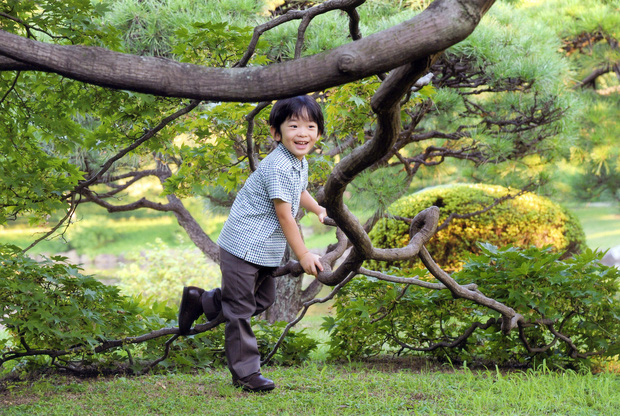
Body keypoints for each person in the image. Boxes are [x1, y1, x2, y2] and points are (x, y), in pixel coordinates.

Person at [177, 95, 327, 392]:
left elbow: (300, 192)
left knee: (263, 299)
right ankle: (246, 373)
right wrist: (304, 254)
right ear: (276, 132)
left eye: (310, 126)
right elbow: (286, 217)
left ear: (319, 133)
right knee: (240, 311)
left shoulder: (298, 162)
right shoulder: (278, 167)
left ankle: (201, 300)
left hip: (264, 251)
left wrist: (318, 209)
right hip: (243, 246)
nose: (302, 133)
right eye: (293, 125)